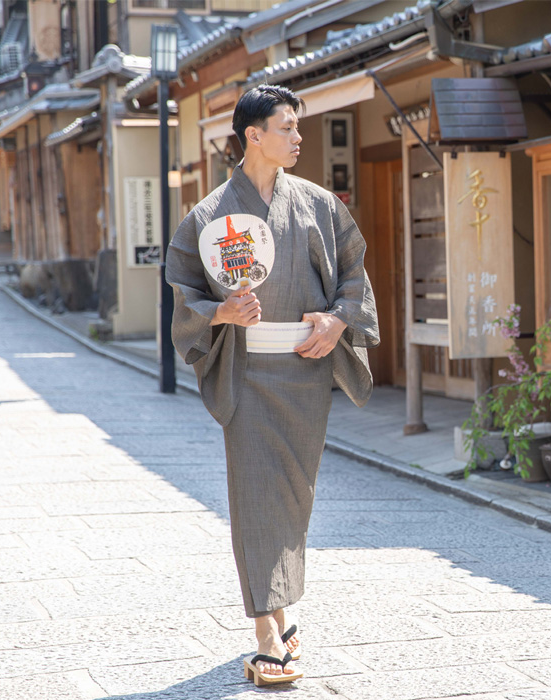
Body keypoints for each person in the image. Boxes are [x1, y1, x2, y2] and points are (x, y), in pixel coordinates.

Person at [165, 84, 379, 686]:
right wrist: (220, 315)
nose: (298, 136)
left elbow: (355, 278)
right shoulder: (208, 217)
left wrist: (338, 322)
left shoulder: (317, 204)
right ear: (252, 136)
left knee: (292, 497)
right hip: (250, 373)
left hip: (305, 370)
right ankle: (265, 632)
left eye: (298, 126)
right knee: (256, 495)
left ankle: (280, 612)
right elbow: (184, 291)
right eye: (287, 127)